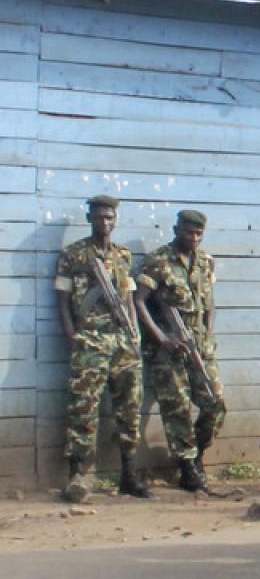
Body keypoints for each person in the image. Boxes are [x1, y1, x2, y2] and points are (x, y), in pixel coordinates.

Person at [54, 194, 146, 504]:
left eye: (109, 217)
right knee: (83, 408)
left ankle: (129, 474)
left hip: (123, 342)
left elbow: (130, 298)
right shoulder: (73, 255)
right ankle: (78, 473)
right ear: (89, 218)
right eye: (99, 217)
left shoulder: (123, 255)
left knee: (129, 407)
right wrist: (73, 338)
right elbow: (63, 303)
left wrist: (134, 333)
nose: (105, 223)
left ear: (115, 219)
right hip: (90, 342)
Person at [136, 208, 224, 492]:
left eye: (199, 233)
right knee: (178, 410)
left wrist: (208, 333)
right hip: (168, 353)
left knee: (216, 404)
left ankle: (196, 455)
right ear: (176, 230)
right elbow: (139, 302)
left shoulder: (206, 262)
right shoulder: (159, 261)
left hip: (200, 347)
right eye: (189, 232)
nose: (194, 237)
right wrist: (162, 338)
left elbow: (209, 303)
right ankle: (188, 469)